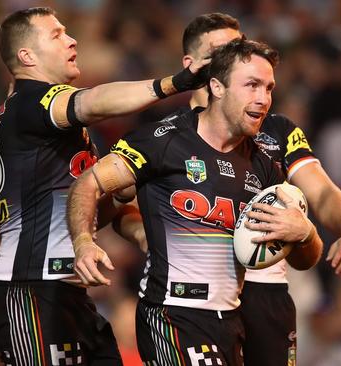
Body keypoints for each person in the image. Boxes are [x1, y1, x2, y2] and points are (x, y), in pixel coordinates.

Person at [67, 38, 324, 365]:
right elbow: (89, 182)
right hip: (171, 315)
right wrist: (83, 240)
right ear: (217, 87)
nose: (263, 99)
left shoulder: (263, 163)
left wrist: (305, 233)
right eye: (252, 86)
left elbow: (304, 260)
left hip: (230, 320)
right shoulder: (162, 140)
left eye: (269, 88)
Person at [0, 6, 208, 365]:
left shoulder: (59, 130)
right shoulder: (32, 101)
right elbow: (96, 101)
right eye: (56, 35)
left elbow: (83, 210)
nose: (71, 41)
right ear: (26, 56)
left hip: (68, 296)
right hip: (30, 291)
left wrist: (142, 225)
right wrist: (173, 84)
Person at [177, 13, 341, 366]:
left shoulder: (278, 131)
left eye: (237, 48)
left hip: (265, 291)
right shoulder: (167, 135)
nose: (232, 57)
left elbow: (322, 191)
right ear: (191, 65)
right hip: (194, 299)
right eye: (221, 50)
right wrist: (143, 234)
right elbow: (122, 201)